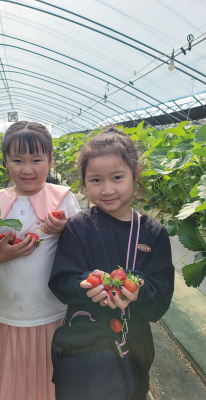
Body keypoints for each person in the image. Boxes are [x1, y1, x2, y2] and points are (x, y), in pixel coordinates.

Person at [48, 127, 174, 400]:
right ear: (83, 182)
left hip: (134, 341)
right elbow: (60, 280)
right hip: (84, 341)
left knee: (133, 390)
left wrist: (138, 289)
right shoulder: (77, 227)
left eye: (117, 177)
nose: (107, 189)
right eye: (95, 180)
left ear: (135, 175)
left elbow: (161, 297)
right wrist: (84, 285)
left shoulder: (153, 233)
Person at [0, 121, 80, 400]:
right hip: (8, 313)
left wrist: (66, 230)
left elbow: (85, 246)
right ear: (5, 161)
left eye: (36, 160)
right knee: (14, 382)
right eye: (17, 160)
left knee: (51, 381)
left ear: (51, 160)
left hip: (53, 311)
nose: (27, 169)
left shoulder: (64, 199)